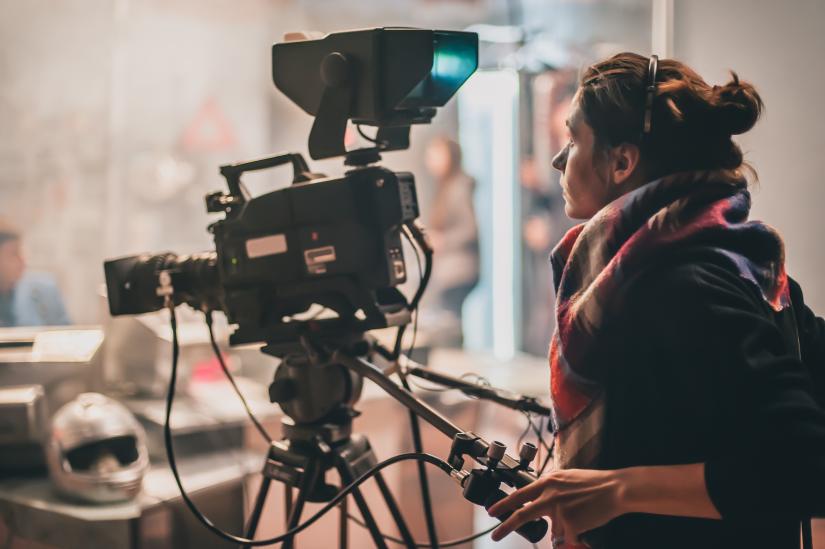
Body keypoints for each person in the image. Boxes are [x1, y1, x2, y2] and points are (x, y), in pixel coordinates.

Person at [487, 53, 825, 548]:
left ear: (622, 162)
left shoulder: (681, 285)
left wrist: (617, 490)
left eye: (574, 139)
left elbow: (806, 465)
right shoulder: (738, 258)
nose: (559, 160)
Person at [421, 136, 479, 347]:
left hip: (458, 270)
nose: (431, 160)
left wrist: (442, 240)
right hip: (451, 270)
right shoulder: (447, 187)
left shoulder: (458, 188)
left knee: (451, 325)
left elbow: (469, 229)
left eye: (436, 155)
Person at [0, 219, 70, 327]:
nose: (23, 261)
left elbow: (68, 336)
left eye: (21, 252)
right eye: (13, 254)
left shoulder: (45, 291)